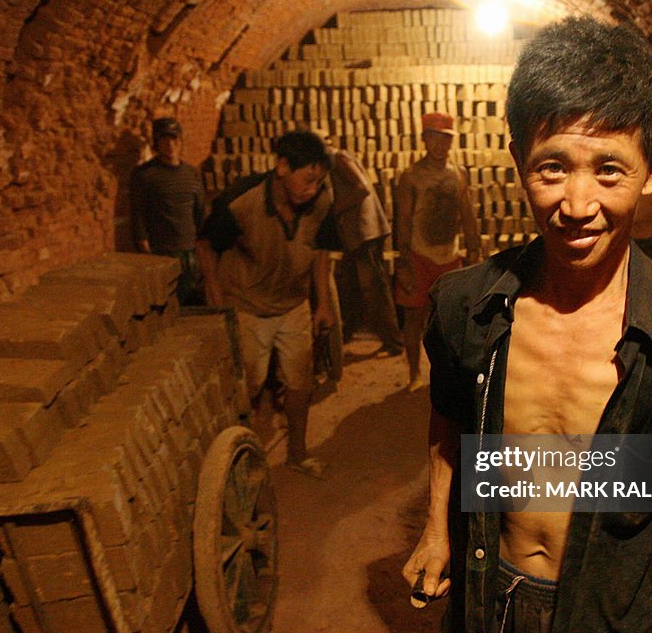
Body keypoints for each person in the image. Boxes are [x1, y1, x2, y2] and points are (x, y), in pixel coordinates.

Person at [402, 17, 652, 633]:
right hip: (488, 597)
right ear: (518, 159)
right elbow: (452, 417)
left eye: (609, 170)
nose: (578, 205)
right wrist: (437, 527)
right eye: (552, 167)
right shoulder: (466, 305)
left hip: (610, 618)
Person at [197, 131, 338, 476]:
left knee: (300, 381)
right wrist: (215, 295)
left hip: (293, 304)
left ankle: (297, 454)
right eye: (307, 180)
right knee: (249, 383)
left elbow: (321, 251)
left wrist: (323, 303)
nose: (313, 189)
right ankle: (242, 462)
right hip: (247, 305)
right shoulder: (241, 202)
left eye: (319, 181)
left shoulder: (321, 201)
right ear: (283, 167)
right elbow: (205, 245)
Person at [393, 112, 481, 392]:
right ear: (424, 139)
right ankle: (414, 373)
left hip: (449, 257)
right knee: (414, 317)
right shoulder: (411, 177)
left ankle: (447, 374)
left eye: (445, 139)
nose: (439, 144)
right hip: (419, 256)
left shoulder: (458, 174)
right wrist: (404, 263)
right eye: (434, 137)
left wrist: (474, 251)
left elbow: (467, 215)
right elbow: (403, 222)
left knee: (451, 320)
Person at [322, 138, 404, 356]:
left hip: (365, 232)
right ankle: (346, 334)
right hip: (355, 234)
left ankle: (394, 342)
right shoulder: (335, 160)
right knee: (351, 286)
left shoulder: (338, 158)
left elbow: (362, 188)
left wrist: (334, 211)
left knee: (375, 288)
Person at [130, 117, 207, 305]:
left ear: (180, 141)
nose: (170, 145)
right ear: (156, 143)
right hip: (162, 251)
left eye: (174, 139)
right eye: (164, 140)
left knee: (192, 303)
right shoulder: (145, 175)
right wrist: (146, 252)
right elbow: (138, 216)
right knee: (167, 305)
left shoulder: (191, 173)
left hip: (189, 251)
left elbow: (199, 212)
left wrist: (203, 247)